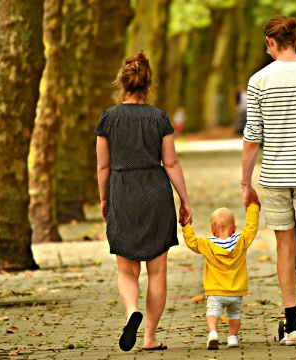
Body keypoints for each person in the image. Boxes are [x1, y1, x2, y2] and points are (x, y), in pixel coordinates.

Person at [241, 16, 296, 349]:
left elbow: (253, 137)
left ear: (270, 42)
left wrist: (245, 182)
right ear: (295, 39)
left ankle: (292, 324)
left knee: (284, 248)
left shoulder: (258, 80)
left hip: (275, 176)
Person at [95, 50, 193, 352]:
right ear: (148, 85)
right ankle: (149, 337)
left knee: (127, 271)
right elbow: (172, 164)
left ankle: (131, 312)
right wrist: (185, 201)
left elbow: (102, 166)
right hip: (155, 191)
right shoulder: (159, 118)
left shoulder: (108, 119)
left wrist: (104, 199)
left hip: (122, 191)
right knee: (158, 272)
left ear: (121, 84)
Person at [182, 203, 260, 349]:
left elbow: (192, 243)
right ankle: (232, 338)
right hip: (236, 292)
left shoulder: (207, 244)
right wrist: (253, 208)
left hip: (215, 291)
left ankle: (212, 333)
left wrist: (187, 226)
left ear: (212, 230)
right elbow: (252, 229)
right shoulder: (241, 241)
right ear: (234, 229)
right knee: (234, 314)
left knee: (212, 312)